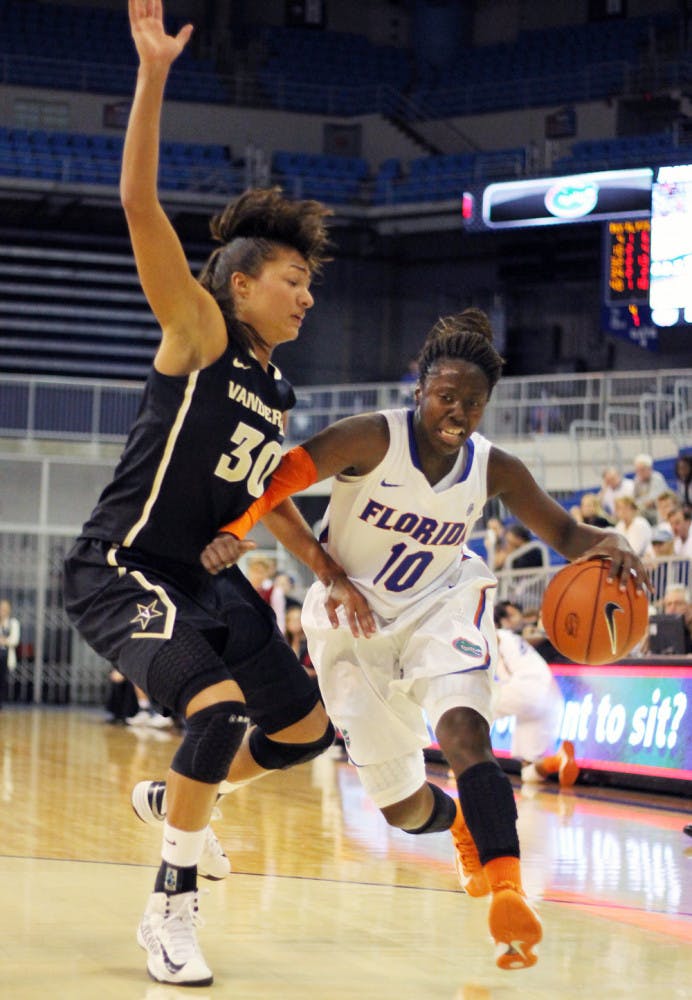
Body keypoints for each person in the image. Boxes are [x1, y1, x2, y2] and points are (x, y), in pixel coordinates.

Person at [62, 2, 372, 987]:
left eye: (309, 283)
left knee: (303, 730)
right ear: (239, 286)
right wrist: (152, 72)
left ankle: (175, 800)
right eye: (291, 278)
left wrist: (323, 566)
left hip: (202, 579)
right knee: (222, 710)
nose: (306, 296)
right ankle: (169, 908)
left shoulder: (273, 389)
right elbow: (138, 206)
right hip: (125, 568)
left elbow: (262, 497)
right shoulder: (196, 334)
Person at [204, 307, 649, 971]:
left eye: (473, 401)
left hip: (443, 604)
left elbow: (564, 536)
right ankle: (462, 822)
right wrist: (259, 538)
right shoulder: (369, 438)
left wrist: (608, 542)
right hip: (353, 623)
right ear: (420, 392)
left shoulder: (494, 468)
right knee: (404, 808)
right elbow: (282, 477)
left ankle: (507, 892)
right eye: (446, 396)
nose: (458, 411)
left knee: (466, 732)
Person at [493, 601, 578, 787]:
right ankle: (557, 760)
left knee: (473, 711)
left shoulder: (495, 636)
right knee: (529, 773)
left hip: (526, 688)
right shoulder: (513, 639)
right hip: (551, 697)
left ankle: (462, 768)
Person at [631, 453, 669, 524]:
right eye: (637, 470)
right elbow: (633, 500)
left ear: (650, 469)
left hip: (657, 511)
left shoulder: (657, 478)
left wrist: (639, 504)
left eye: (642, 470)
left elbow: (651, 502)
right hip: (644, 511)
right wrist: (639, 504)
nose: (639, 473)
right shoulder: (637, 479)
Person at [0, 599, 20, 709]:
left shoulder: (13, 623)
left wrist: (4, 641)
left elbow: (15, 640)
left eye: (4, 609)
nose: (2, 611)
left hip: (5, 656)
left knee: (2, 680)